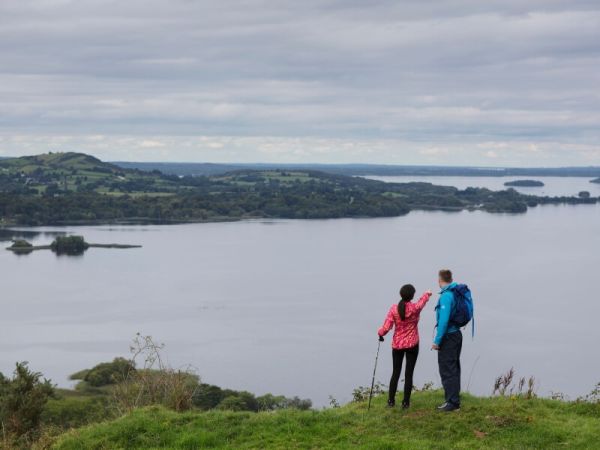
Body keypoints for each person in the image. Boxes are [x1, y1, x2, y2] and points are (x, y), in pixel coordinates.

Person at [378, 284, 432, 408]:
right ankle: (405, 403)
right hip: (413, 344)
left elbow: (386, 328)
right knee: (409, 374)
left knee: (395, 373)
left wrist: (380, 333)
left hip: (397, 345)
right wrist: (427, 293)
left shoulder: (393, 309)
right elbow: (422, 302)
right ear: (412, 296)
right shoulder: (415, 308)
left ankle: (391, 402)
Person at [431, 269, 462, 412]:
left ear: (440, 280)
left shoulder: (446, 297)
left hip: (448, 337)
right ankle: (454, 399)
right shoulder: (456, 293)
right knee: (454, 367)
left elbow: (443, 322)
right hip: (456, 334)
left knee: (447, 369)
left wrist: (437, 341)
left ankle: (452, 402)